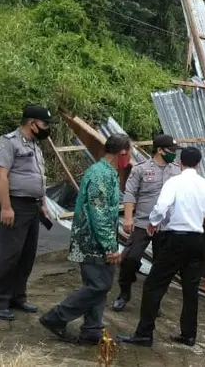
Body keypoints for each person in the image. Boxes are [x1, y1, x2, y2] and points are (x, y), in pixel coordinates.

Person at [118, 147, 205, 348]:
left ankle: (144, 333)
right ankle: (188, 335)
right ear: (199, 164)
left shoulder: (174, 182)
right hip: (197, 240)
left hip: (176, 239)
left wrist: (153, 222)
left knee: (154, 285)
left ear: (180, 162)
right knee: (191, 289)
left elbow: (161, 206)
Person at [39, 134, 131, 345]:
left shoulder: (108, 172)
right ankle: (56, 317)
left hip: (98, 238)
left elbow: (106, 212)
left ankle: (92, 330)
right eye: (130, 152)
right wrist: (111, 245)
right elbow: (98, 213)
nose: (131, 157)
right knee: (98, 285)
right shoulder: (100, 174)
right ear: (123, 152)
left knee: (98, 284)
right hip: (92, 241)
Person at [0, 105, 52, 321]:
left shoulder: (35, 145)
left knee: (26, 255)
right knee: (9, 255)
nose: (47, 129)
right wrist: (6, 207)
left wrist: (42, 203)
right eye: (45, 124)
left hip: (32, 206)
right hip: (13, 205)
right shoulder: (8, 142)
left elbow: (36, 177)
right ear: (32, 123)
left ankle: (16, 297)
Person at [112, 134, 181, 312]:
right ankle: (124, 293)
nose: (174, 154)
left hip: (165, 227)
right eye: (171, 151)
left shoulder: (176, 171)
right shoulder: (141, 169)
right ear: (159, 150)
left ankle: (153, 301)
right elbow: (129, 194)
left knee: (161, 266)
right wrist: (128, 218)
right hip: (143, 223)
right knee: (130, 259)